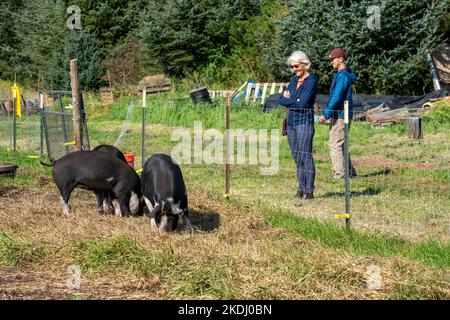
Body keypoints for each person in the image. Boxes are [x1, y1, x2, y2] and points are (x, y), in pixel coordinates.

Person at [279, 51, 318, 199]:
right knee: (297, 157)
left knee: (305, 155)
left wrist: (291, 98)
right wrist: (294, 99)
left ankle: (309, 190)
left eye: (296, 66)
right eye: (292, 67)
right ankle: (300, 189)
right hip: (291, 123)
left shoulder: (311, 80)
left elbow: (303, 104)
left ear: (304, 64)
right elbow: (282, 100)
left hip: (304, 122)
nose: (294, 69)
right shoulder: (294, 80)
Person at [318, 48, 357, 179]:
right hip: (344, 113)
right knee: (342, 143)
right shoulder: (345, 75)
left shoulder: (342, 76)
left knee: (335, 144)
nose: (331, 62)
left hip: (340, 114)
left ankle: (339, 174)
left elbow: (337, 96)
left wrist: (326, 114)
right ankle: (350, 172)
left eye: (332, 59)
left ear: (341, 59)